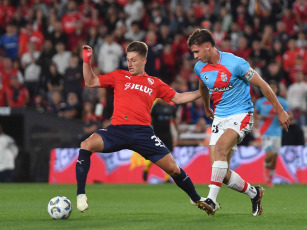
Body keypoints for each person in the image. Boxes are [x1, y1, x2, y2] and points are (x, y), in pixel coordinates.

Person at [76, 41, 208, 213]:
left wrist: (203, 92)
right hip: (118, 129)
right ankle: (80, 196)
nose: (129, 64)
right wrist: (87, 61)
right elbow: (90, 81)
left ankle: (197, 199)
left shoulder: (155, 83)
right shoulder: (119, 75)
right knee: (86, 145)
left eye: (134, 60)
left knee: (173, 169)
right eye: (128, 60)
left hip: (143, 133)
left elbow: (179, 98)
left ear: (144, 61)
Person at [187, 29, 290, 216]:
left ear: (207, 47)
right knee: (222, 173)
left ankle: (211, 200)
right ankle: (254, 193)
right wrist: (206, 107)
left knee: (219, 150)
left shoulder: (236, 63)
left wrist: (280, 110)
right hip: (219, 116)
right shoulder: (199, 67)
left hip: (241, 114)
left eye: (196, 51)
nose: (194, 56)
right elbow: (202, 85)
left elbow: (262, 84)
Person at [255, 81, 291, 187]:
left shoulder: (282, 102)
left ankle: (270, 178)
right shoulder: (260, 102)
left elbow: (290, 115)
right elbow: (255, 114)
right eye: (269, 87)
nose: (271, 89)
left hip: (277, 132)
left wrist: (283, 118)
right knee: (269, 154)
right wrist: (260, 117)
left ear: (277, 89)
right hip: (265, 131)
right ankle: (266, 165)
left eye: (273, 87)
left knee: (274, 156)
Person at [143, 99, 178, 183]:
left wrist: (177, 131)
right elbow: (149, 119)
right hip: (157, 134)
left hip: (167, 135)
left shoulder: (171, 108)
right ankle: (146, 168)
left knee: (170, 155)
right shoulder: (155, 107)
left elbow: (174, 120)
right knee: (154, 154)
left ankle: (167, 178)